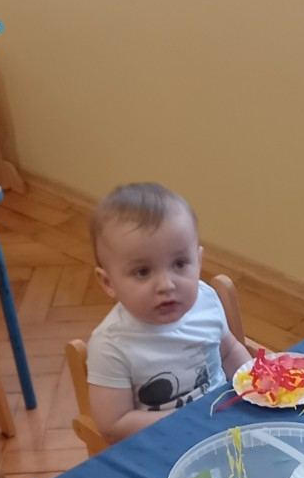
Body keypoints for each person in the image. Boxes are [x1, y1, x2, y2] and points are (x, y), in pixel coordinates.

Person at [86, 182, 248, 442]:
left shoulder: (206, 300)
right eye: (143, 272)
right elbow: (114, 424)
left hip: (224, 426)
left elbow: (229, 351)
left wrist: (254, 382)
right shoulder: (110, 345)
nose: (166, 285)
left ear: (198, 262)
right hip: (161, 443)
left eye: (180, 264)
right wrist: (189, 420)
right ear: (108, 282)